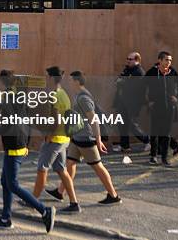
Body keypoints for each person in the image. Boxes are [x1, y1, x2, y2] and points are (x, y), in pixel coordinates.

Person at [0, 70, 56, 232]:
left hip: (13, 145)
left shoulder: (10, 98)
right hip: (19, 142)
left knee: (12, 184)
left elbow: (8, 123)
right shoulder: (19, 96)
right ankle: (5, 217)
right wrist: (26, 143)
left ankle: (44, 210)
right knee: (5, 183)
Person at [46, 71, 122, 206]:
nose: (68, 82)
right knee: (70, 163)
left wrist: (98, 139)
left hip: (85, 138)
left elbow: (94, 119)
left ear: (76, 81)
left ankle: (113, 195)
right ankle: (60, 191)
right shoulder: (79, 95)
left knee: (98, 166)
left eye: (71, 80)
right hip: (77, 137)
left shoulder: (83, 98)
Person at [31, 66, 80, 214]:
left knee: (42, 169)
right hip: (64, 138)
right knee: (61, 170)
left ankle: (33, 200)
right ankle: (74, 203)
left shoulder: (54, 95)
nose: (45, 78)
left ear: (51, 78)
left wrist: (48, 135)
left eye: (46, 76)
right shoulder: (63, 94)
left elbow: (56, 120)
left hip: (54, 139)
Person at [145, 51, 178, 166]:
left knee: (166, 134)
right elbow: (141, 87)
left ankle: (165, 158)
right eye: (166, 60)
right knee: (154, 133)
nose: (168, 62)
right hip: (156, 107)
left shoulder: (173, 72)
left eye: (170, 60)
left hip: (169, 108)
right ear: (160, 60)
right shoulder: (151, 72)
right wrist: (148, 102)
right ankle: (153, 156)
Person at [113, 52, 150, 162]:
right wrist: (123, 82)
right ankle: (124, 146)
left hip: (133, 103)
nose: (128, 61)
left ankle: (147, 141)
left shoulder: (139, 72)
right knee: (121, 123)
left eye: (130, 59)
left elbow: (132, 87)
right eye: (127, 58)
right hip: (122, 102)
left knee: (131, 124)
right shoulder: (126, 70)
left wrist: (123, 82)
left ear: (137, 60)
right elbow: (118, 81)